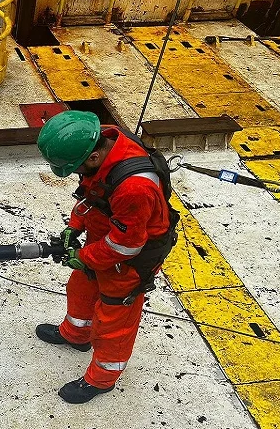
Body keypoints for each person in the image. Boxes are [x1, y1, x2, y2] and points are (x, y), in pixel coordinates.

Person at [35, 110, 173, 404]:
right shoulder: (105, 140)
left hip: (131, 259)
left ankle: (101, 379)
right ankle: (76, 335)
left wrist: (85, 257)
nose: (76, 173)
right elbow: (91, 193)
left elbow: (126, 246)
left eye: (76, 167)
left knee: (114, 318)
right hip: (106, 237)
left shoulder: (135, 188)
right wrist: (75, 226)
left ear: (93, 158)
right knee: (82, 287)